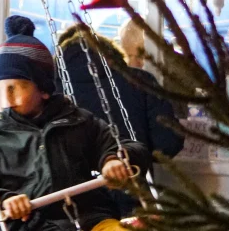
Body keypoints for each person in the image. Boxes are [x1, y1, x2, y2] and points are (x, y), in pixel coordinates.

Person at [0, 16, 149, 231]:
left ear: (43, 89)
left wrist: (113, 160)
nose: (5, 98)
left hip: (89, 219)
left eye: (15, 87)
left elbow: (127, 147)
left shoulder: (77, 122)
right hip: (27, 226)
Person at [56, 23, 184, 215]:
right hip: (131, 197)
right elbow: (168, 144)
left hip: (70, 206)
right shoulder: (140, 81)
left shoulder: (50, 92)